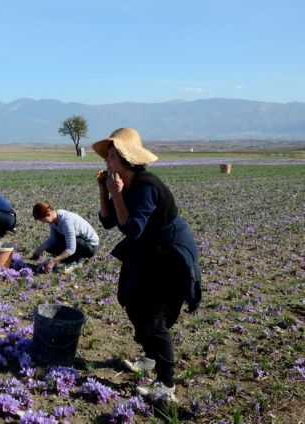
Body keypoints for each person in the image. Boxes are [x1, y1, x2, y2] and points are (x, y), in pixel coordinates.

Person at [92, 127, 201, 401]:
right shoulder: (124, 185)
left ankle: (166, 385)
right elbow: (108, 222)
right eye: (107, 156)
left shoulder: (145, 186)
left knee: (153, 317)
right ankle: (151, 357)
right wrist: (104, 192)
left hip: (168, 255)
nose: (107, 161)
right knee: (131, 300)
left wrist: (116, 195)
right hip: (147, 251)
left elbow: (132, 229)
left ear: (127, 159)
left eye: (112, 156)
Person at [31, 202, 99, 274]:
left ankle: (74, 262)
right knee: (50, 247)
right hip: (78, 242)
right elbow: (53, 239)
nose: (43, 222)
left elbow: (71, 248)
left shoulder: (66, 220)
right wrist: (39, 250)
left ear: (48, 214)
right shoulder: (53, 219)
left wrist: (54, 260)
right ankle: (73, 258)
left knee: (72, 242)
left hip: (90, 246)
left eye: (42, 220)